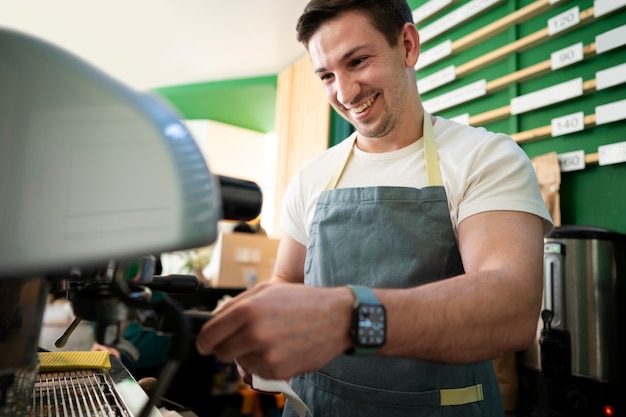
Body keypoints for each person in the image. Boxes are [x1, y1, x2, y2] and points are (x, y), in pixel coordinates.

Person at [196, 0, 553, 415]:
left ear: (407, 45)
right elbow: (287, 279)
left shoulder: (485, 158)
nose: (345, 93)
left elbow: (510, 308)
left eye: (358, 61)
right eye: (327, 75)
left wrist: (349, 319)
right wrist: (257, 326)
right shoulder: (312, 177)